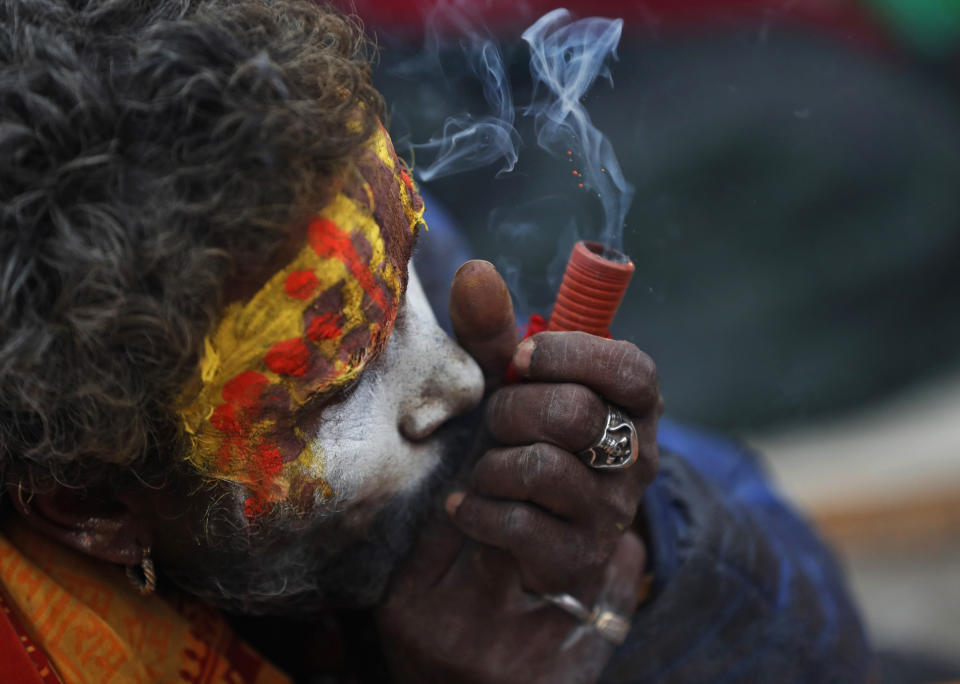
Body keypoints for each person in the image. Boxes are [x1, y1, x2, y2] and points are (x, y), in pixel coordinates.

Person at [0, 1, 871, 682]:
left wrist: (647, 550)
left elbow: (828, 635)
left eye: (408, 262)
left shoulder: (330, 218)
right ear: (95, 514)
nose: (452, 375)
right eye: (331, 389)